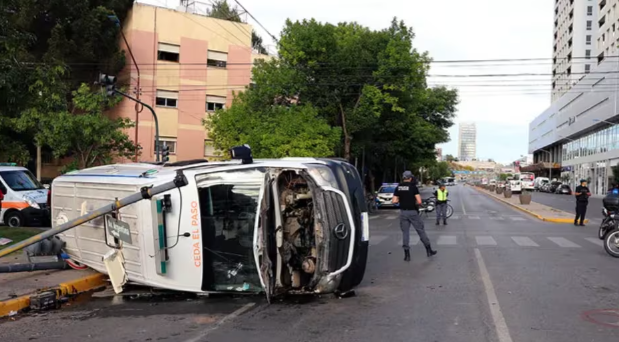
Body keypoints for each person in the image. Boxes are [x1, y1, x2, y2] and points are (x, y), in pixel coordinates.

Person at [392, 170, 437, 262]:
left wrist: (402, 199)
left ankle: (407, 255)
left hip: (403, 213)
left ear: (403, 178)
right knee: (421, 231)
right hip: (413, 212)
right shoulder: (413, 187)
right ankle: (429, 250)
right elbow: (419, 201)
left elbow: (394, 201)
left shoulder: (398, 187)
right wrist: (414, 201)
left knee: (405, 233)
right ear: (411, 178)